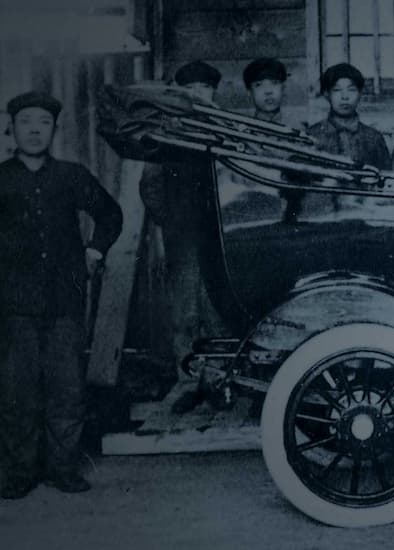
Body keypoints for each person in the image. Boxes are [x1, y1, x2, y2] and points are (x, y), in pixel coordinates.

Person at [0, 91, 123, 498]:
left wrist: (94, 250)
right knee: (18, 389)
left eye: (43, 123)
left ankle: (62, 467)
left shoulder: (71, 176)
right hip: (13, 305)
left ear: (54, 129)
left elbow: (110, 214)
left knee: (66, 387)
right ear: (11, 128)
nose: (34, 130)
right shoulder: (1, 178)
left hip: (65, 302)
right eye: (25, 122)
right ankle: (19, 470)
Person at [139, 61, 226, 411]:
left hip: (219, 237)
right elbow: (150, 185)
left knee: (218, 307)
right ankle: (188, 380)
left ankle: (220, 380)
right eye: (192, 89)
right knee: (185, 310)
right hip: (183, 236)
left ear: (213, 93)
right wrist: (171, 222)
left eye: (205, 89)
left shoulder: (226, 129)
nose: (199, 95)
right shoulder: (167, 132)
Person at [307, 62, 390, 169]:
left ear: (360, 94)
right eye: (337, 90)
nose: (345, 97)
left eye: (351, 90)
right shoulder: (311, 136)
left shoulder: (373, 138)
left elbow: (386, 179)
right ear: (326, 94)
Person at [243, 57, 289, 124]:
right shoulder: (243, 131)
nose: (268, 91)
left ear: (283, 87)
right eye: (259, 85)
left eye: (274, 83)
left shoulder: (299, 130)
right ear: (249, 92)